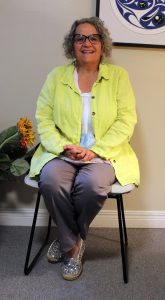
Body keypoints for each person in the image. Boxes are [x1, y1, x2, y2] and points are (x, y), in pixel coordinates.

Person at [29, 16, 140, 281]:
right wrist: (62, 147)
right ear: (72, 44)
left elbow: (126, 120)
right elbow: (43, 118)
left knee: (91, 186)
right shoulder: (56, 76)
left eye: (93, 37)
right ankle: (74, 244)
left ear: (102, 44)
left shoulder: (118, 77)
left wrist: (96, 150)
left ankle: (67, 239)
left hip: (103, 155)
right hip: (62, 153)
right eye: (80, 38)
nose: (86, 43)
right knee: (51, 180)